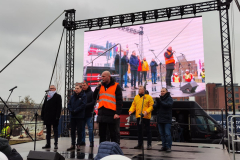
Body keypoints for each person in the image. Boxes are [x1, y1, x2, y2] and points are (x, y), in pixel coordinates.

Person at [93, 71, 123, 144]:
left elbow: (119, 101)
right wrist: (97, 88)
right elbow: (94, 97)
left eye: (104, 76)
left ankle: (113, 151)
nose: (102, 78)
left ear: (109, 77)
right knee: (102, 135)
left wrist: (117, 113)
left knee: (113, 134)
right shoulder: (100, 86)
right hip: (102, 113)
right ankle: (103, 150)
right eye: (101, 76)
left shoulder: (116, 86)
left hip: (111, 114)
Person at [41, 85, 62, 149]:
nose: (50, 89)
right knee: (48, 131)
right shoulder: (47, 96)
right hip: (47, 116)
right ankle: (48, 144)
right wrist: (42, 115)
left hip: (54, 116)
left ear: (55, 89)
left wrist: (57, 116)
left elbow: (59, 107)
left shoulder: (58, 96)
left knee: (55, 130)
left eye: (52, 88)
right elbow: (44, 106)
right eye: (50, 88)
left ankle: (56, 144)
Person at [67, 85, 87, 151]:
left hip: (80, 116)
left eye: (77, 88)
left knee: (79, 131)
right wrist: (71, 110)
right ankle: (72, 144)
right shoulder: (72, 96)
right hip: (73, 116)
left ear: (81, 89)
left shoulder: (83, 96)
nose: (76, 89)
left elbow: (83, 105)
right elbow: (69, 104)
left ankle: (78, 144)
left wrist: (75, 110)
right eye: (75, 88)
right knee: (72, 131)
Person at [154, 87, 173, 152]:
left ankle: (168, 147)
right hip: (160, 119)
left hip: (167, 119)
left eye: (163, 91)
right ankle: (164, 146)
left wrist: (160, 102)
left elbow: (167, 105)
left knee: (167, 134)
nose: (162, 92)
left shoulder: (169, 99)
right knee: (162, 134)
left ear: (166, 92)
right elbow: (155, 107)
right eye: (161, 91)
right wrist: (155, 103)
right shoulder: (160, 99)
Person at [81, 82, 95, 147]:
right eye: (82, 85)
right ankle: (82, 141)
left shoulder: (92, 93)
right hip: (82, 114)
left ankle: (91, 142)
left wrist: (85, 106)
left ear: (87, 85)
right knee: (82, 128)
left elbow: (93, 102)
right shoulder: (81, 93)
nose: (83, 86)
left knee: (90, 128)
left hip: (89, 114)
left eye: (84, 85)